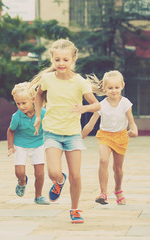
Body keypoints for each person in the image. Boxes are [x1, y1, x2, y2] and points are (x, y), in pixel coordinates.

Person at [33, 39, 101, 223]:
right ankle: (59, 181)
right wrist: (38, 116)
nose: (61, 63)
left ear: (73, 60)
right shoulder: (47, 79)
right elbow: (38, 96)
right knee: (53, 172)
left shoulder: (79, 82)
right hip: (52, 131)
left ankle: (75, 209)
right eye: (57, 60)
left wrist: (83, 108)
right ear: (52, 60)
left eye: (65, 60)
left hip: (72, 134)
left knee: (76, 175)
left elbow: (96, 105)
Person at [82, 70, 138, 205]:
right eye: (110, 88)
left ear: (122, 86)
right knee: (103, 160)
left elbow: (132, 123)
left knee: (117, 169)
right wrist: (79, 139)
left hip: (121, 137)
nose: (114, 91)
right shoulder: (100, 105)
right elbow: (90, 125)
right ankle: (103, 193)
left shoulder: (125, 103)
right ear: (104, 88)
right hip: (105, 136)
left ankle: (118, 190)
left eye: (117, 87)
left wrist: (134, 131)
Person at [7, 81, 50, 205]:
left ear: (33, 99)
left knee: (40, 173)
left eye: (24, 103)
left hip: (38, 144)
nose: (21, 107)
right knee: (19, 173)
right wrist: (10, 147)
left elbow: (49, 127)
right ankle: (22, 181)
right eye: (18, 103)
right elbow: (10, 131)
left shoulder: (43, 113)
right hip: (21, 145)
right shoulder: (17, 116)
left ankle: (38, 196)